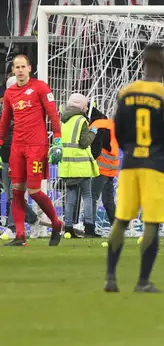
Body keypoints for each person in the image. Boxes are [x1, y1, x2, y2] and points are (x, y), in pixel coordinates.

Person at [105, 44, 164, 293]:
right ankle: (142, 281)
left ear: (143, 63)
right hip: (155, 165)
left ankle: (110, 278)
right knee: (151, 223)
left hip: (129, 164)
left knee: (121, 220)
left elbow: (117, 129)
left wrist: (130, 149)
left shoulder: (126, 93)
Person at [0, 54, 64, 247]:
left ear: (29, 68)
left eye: (23, 67)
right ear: (13, 70)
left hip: (37, 146)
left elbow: (53, 113)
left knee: (35, 191)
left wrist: (57, 139)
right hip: (17, 147)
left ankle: (56, 223)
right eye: (16, 67)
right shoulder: (10, 93)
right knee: (17, 191)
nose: (20, 70)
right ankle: (20, 236)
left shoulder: (40, 87)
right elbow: (5, 120)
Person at [1, 75, 39, 235]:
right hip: (5, 157)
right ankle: (33, 219)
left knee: (14, 193)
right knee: (10, 194)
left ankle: (12, 228)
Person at [59, 93, 99, 238]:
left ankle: (68, 228)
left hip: (67, 165)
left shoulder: (63, 120)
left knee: (70, 197)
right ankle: (89, 228)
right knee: (87, 196)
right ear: (80, 106)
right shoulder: (82, 120)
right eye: (85, 105)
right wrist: (93, 133)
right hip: (81, 165)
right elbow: (84, 142)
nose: (87, 108)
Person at [90, 107, 118, 227]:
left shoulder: (97, 125)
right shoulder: (109, 123)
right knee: (108, 200)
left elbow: (96, 147)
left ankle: (90, 226)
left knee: (92, 197)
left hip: (101, 167)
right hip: (112, 166)